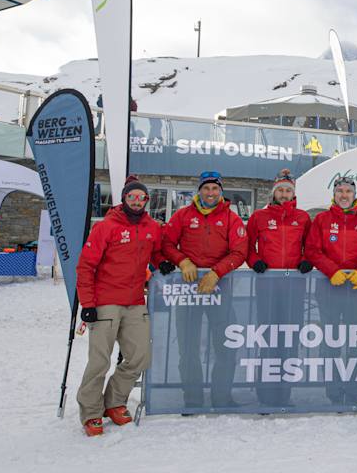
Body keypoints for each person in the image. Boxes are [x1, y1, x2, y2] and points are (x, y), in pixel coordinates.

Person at [76, 175, 168, 437]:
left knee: (141, 356)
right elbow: (85, 266)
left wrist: (162, 262)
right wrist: (88, 303)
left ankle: (114, 401)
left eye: (141, 197)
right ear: (124, 199)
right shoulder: (106, 227)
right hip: (105, 303)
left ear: (147, 200)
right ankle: (91, 411)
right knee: (99, 361)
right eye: (132, 197)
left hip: (135, 301)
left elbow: (157, 252)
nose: (137, 201)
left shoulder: (151, 227)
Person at [162, 170, 248, 411]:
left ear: (221, 192)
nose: (210, 193)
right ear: (199, 190)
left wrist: (216, 272)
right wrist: (183, 261)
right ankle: (193, 398)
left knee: (225, 344)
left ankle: (222, 397)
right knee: (188, 346)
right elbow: (166, 242)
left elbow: (240, 251)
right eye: (206, 188)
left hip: (219, 288)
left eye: (215, 189)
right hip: (188, 290)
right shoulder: (183, 215)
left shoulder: (231, 219)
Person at [305, 176, 357, 406]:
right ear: (334, 194)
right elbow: (312, 250)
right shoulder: (322, 219)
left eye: (348, 191)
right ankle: (334, 390)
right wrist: (332, 271)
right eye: (340, 191)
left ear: (354, 194)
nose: (344, 195)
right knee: (331, 340)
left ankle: (353, 390)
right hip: (330, 288)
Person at [245, 168, 312, 407]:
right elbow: (247, 249)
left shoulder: (303, 218)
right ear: (274, 192)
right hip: (267, 284)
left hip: (294, 286)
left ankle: (284, 392)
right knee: (268, 337)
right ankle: (265, 391)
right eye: (280, 190)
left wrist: (306, 261)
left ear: (293, 193)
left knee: (289, 338)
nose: (284, 194)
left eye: (288, 191)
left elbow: (311, 247)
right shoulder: (259, 217)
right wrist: (255, 262)